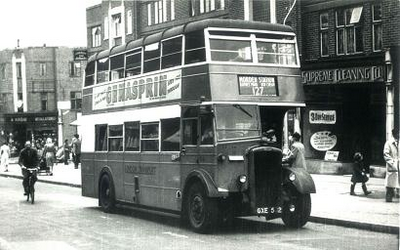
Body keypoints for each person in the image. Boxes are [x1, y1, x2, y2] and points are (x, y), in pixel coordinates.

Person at [383, 128, 399, 202]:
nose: (398, 135)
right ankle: (389, 198)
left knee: (398, 181)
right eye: (397, 133)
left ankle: (397, 195)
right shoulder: (388, 143)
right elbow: (386, 154)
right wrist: (392, 163)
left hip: (399, 164)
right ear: (394, 134)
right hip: (392, 165)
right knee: (390, 184)